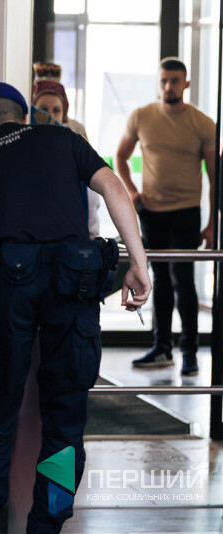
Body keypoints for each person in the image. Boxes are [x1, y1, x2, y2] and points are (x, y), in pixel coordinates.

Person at [0, 81, 151, 534]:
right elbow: (114, 189)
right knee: (64, 424)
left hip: (8, 288)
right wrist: (139, 264)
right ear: (26, 117)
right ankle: (47, 524)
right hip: (73, 286)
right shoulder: (65, 139)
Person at [116, 57, 217, 376]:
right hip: (152, 212)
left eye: (175, 81)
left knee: (182, 280)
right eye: (164, 81)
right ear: (158, 83)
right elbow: (120, 156)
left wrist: (212, 224)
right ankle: (162, 348)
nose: (169, 86)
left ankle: (189, 352)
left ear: (186, 83)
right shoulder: (142, 116)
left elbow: (215, 178)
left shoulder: (203, 124)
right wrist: (133, 193)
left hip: (186, 212)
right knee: (158, 280)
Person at [31, 63, 102, 236]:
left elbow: (90, 197)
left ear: (64, 115)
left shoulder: (76, 133)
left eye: (56, 110)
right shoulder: (23, 148)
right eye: (42, 110)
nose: (49, 116)